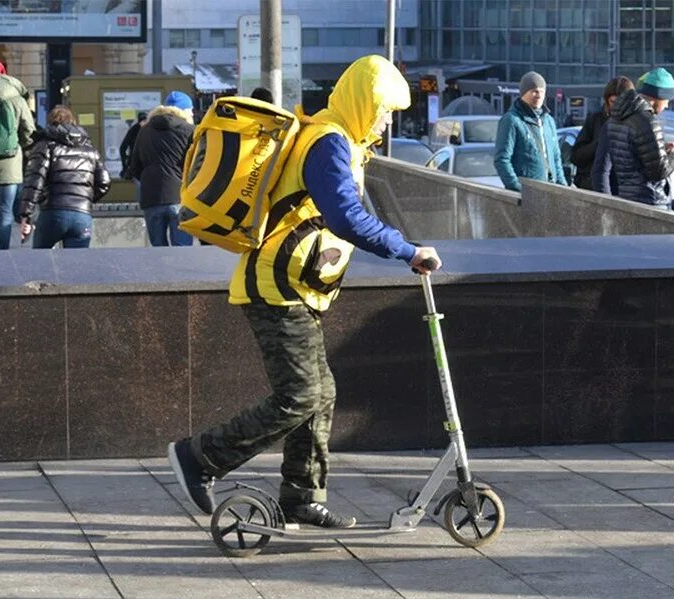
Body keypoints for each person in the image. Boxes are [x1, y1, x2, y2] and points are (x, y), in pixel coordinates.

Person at [167, 55, 441, 528]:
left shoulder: (345, 142)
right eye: (384, 109)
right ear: (363, 100)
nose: (386, 119)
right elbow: (345, 218)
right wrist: (406, 250)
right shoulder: (328, 142)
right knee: (299, 395)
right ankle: (199, 457)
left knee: (322, 394)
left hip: (297, 287)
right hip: (275, 287)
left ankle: (301, 496)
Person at [18, 105, 110, 248]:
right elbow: (104, 183)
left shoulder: (45, 146)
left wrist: (26, 215)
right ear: (73, 121)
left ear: (51, 122)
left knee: (41, 263)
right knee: (76, 266)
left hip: (52, 213)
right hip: (81, 216)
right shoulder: (90, 149)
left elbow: (34, 182)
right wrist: (84, 199)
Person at [604, 68, 674, 208]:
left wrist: (661, 148)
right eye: (666, 100)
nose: (667, 105)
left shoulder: (617, 117)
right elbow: (659, 171)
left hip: (627, 195)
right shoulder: (648, 120)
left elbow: (632, 154)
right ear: (657, 98)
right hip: (651, 200)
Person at [130, 90, 194, 246]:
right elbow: (197, 165)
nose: (193, 113)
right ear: (185, 111)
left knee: (158, 252)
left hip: (151, 198)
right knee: (182, 250)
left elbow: (135, 166)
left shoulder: (144, 130)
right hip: (180, 197)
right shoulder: (190, 131)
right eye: (191, 110)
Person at [494, 71, 566, 191]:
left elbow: (556, 158)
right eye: (534, 91)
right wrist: (517, 187)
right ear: (523, 93)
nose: (539, 95)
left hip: (551, 192)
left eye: (542, 91)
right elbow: (502, 159)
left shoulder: (548, 121)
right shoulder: (511, 120)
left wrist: (563, 187)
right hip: (529, 193)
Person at [0, 59, 35, 249]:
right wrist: (22, 145)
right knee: (5, 211)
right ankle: (1, 255)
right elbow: (29, 130)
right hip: (9, 161)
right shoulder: (17, 99)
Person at [571, 76, 633, 191]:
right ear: (607, 101)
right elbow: (576, 156)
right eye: (613, 102)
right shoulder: (595, 119)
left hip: (622, 189)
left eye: (621, 102)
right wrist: (600, 144)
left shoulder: (633, 123)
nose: (617, 107)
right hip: (594, 187)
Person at [118, 110, 147, 179]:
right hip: (139, 165)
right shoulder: (136, 129)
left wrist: (126, 161)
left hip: (138, 165)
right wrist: (126, 162)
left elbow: (123, 147)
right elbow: (123, 148)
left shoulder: (134, 129)